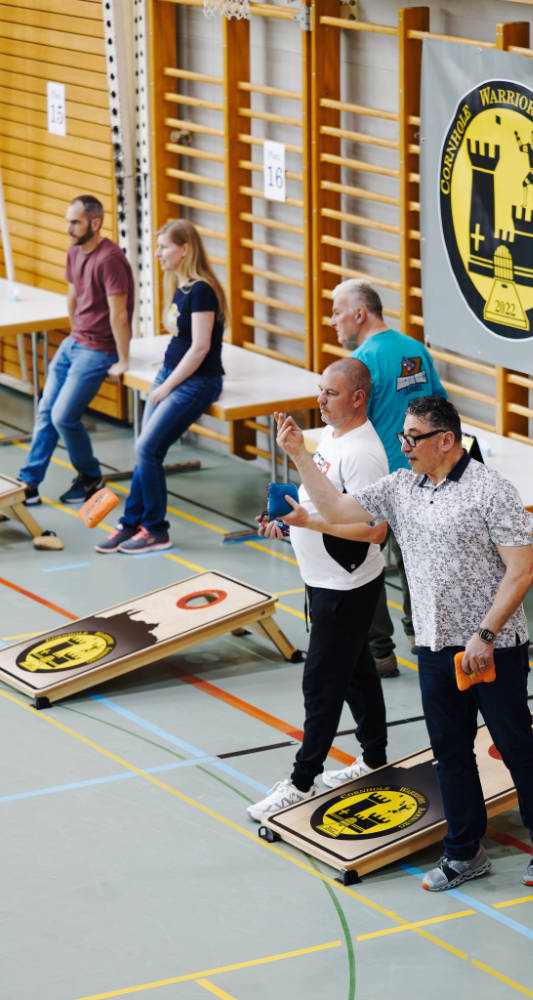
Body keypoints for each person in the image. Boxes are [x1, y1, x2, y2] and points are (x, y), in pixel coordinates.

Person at [272, 395, 533, 890]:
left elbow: (521, 571)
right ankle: (463, 852)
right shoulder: (402, 487)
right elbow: (337, 507)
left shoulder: (491, 491)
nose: (403, 445)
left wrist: (485, 634)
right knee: (449, 752)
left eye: (413, 438)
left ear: (445, 440)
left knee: (516, 745)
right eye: (403, 437)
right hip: (434, 646)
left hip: (491, 647)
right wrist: (302, 454)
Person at [247, 358, 389, 822]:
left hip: (344, 587)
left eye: (330, 393)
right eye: (319, 390)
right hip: (324, 579)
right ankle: (372, 756)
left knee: (322, 684)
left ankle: (301, 781)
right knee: (357, 674)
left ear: (357, 397)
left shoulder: (364, 453)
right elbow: (323, 504)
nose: (320, 400)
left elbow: (373, 531)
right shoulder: (330, 436)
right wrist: (291, 525)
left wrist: (306, 511)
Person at [330, 278, 447, 677]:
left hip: (376, 482)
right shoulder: (415, 350)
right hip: (421, 478)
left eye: (336, 311)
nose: (333, 321)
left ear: (359, 314)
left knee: (367, 564)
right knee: (416, 562)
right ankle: (423, 637)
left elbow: (344, 425)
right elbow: (441, 407)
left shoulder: (358, 366)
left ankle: (380, 652)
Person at [95, 219, 225, 554]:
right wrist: (165, 366)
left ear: (185, 249)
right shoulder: (180, 287)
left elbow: (200, 347)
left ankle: (156, 529)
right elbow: (182, 339)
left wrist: (168, 385)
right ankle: (130, 523)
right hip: (172, 373)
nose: (158, 254)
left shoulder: (201, 290)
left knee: (147, 449)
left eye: (165, 247)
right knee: (145, 450)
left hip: (197, 382)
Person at [18, 195, 134, 505]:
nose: (69, 228)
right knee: (46, 410)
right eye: (68, 221)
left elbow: (119, 313)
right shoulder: (75, 251)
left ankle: (90, 477)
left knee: (63, 416)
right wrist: (74, 333)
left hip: (99, 350)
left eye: (75, 222)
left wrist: (123, 359)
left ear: (95, 223)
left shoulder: (110, 258)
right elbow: (72, 297)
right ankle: (28, 484)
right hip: (76, 342)